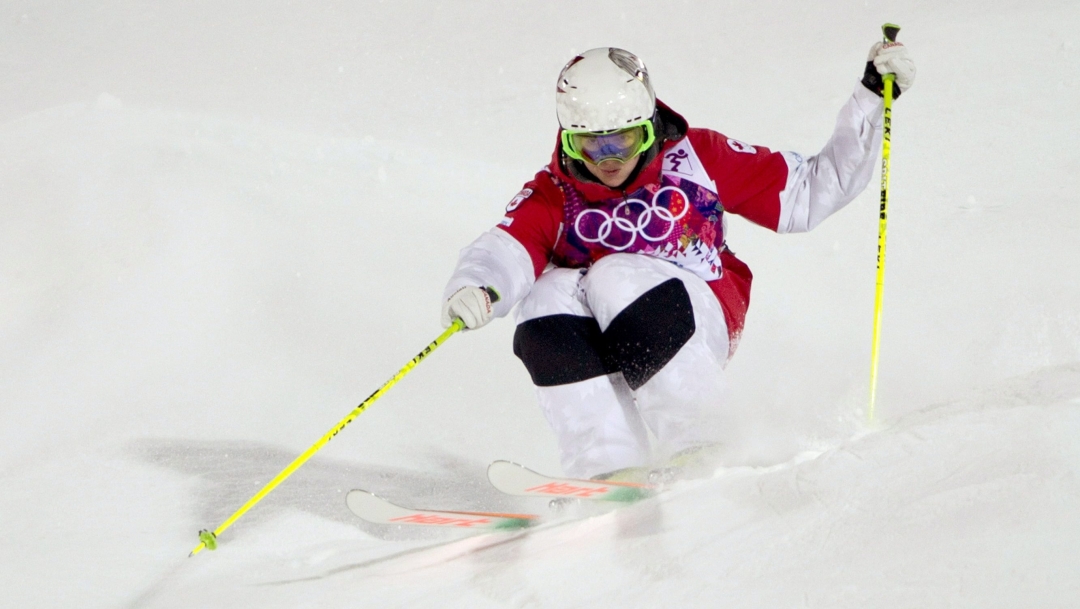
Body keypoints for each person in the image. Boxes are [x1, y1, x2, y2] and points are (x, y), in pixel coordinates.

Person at [440, 42, 915, 480]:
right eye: (590, 144)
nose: (607, 159)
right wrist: (478, 285)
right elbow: (506, 247)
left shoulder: (697, 158)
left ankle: (702, 437)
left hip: (697, 312)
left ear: (647, 129)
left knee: (613, 274)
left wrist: (871, 99)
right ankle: (607, 463)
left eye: (621, 141)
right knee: (542, 296)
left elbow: (811, 191)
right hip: (609, 334)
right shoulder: (555, 194)